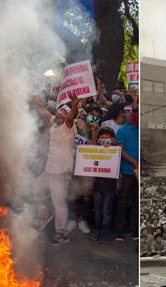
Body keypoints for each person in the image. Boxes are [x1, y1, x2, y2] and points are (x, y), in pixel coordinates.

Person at [31, 94, 79, 246]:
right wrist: (35, 102)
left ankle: (61, 233)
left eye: (63, 115)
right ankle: (44, 215)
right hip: (49, 169)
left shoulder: (68, 126)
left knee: (59, 203)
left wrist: (75, 105)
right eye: (58, 114)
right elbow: (44, 112)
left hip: (61, 171)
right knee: (37, 188)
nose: (59, 116)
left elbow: (71, 117)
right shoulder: (54, 122)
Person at [114, 92, 139, 242]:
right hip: (128, 171)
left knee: (136, 201)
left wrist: (135, 101)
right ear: (123, 114)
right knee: (123, 201)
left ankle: (135, 231)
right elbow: (120, 150)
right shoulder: (121, 130)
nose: (130, 114)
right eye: (127, 112)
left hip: (138, 172)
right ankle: (119, 232)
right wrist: (134, 162)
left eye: (133, 111)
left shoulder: (138, 127)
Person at [89, 125, 117, 244]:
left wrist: (112, 146)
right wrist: (94, 133)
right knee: (98, 209)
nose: (105, 137)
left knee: (106, 210)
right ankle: (97, 230)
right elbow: (92, 147)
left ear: (112, 138)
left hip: (109, 186)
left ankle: (105, 233)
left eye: (108, 136)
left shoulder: (115, 151)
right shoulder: (96, 149)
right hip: (97, 184)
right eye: (102, 135)